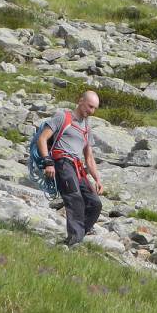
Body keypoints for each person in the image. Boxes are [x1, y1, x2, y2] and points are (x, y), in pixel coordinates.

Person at [36, 90, 103, 247]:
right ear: (80, 101)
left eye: (94, 108)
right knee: (75, 198)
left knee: (95, 203)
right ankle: (73, 240)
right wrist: (48, 162)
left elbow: (89, 157)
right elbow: (42, 138)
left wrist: (97, 179)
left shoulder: (86, 127)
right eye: (89, 106)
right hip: (62, 162)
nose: (91, 111)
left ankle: (77, 237)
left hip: (77, 167)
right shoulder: (62, 117)